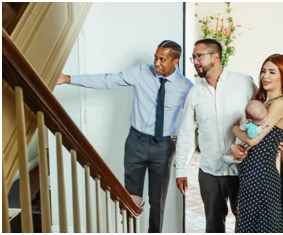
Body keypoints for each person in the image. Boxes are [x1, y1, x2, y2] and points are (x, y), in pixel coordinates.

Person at [57, 40, 194, 233]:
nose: (156, 63)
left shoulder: (186, 87)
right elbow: (106, 80)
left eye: (162, 59)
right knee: (130, 199)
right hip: (136, 143)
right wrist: (68, 78)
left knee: (158, 199)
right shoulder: (140, 73)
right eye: (155, 57)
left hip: (163, 147)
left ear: (176, 61)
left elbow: (192, 119)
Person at [174, 39, 283, 232]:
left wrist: (280, 139)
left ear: (216, 57)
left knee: (247, 224)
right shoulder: (194, 93)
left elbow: (265, 117)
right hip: (209, 172)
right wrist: (180, 170)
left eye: (199, 56)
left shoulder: (244, 83)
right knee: (213, 226)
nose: (195, 61)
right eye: (193, 57)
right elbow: (185, 132)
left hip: (242, 171)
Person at [233, 54, 283, 233]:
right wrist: (234, 145)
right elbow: (249, 140)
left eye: (272, 72)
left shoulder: (279, 104)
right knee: (248, 225)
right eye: (264, 71)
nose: (265, 76)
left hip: (261, 176)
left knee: (263, 226)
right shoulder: (263, 101)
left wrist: (233, 130)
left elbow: (253, 139)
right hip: (249, 173)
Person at [224, 100, 270, 166]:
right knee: (238, 156)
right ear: (250, 120)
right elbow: (252, 135)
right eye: (260, 121)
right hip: (240, 142)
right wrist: (262, 127)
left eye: (265, 117)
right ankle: (227, 160)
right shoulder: (249, 125)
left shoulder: (255, 117)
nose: (264, 120)